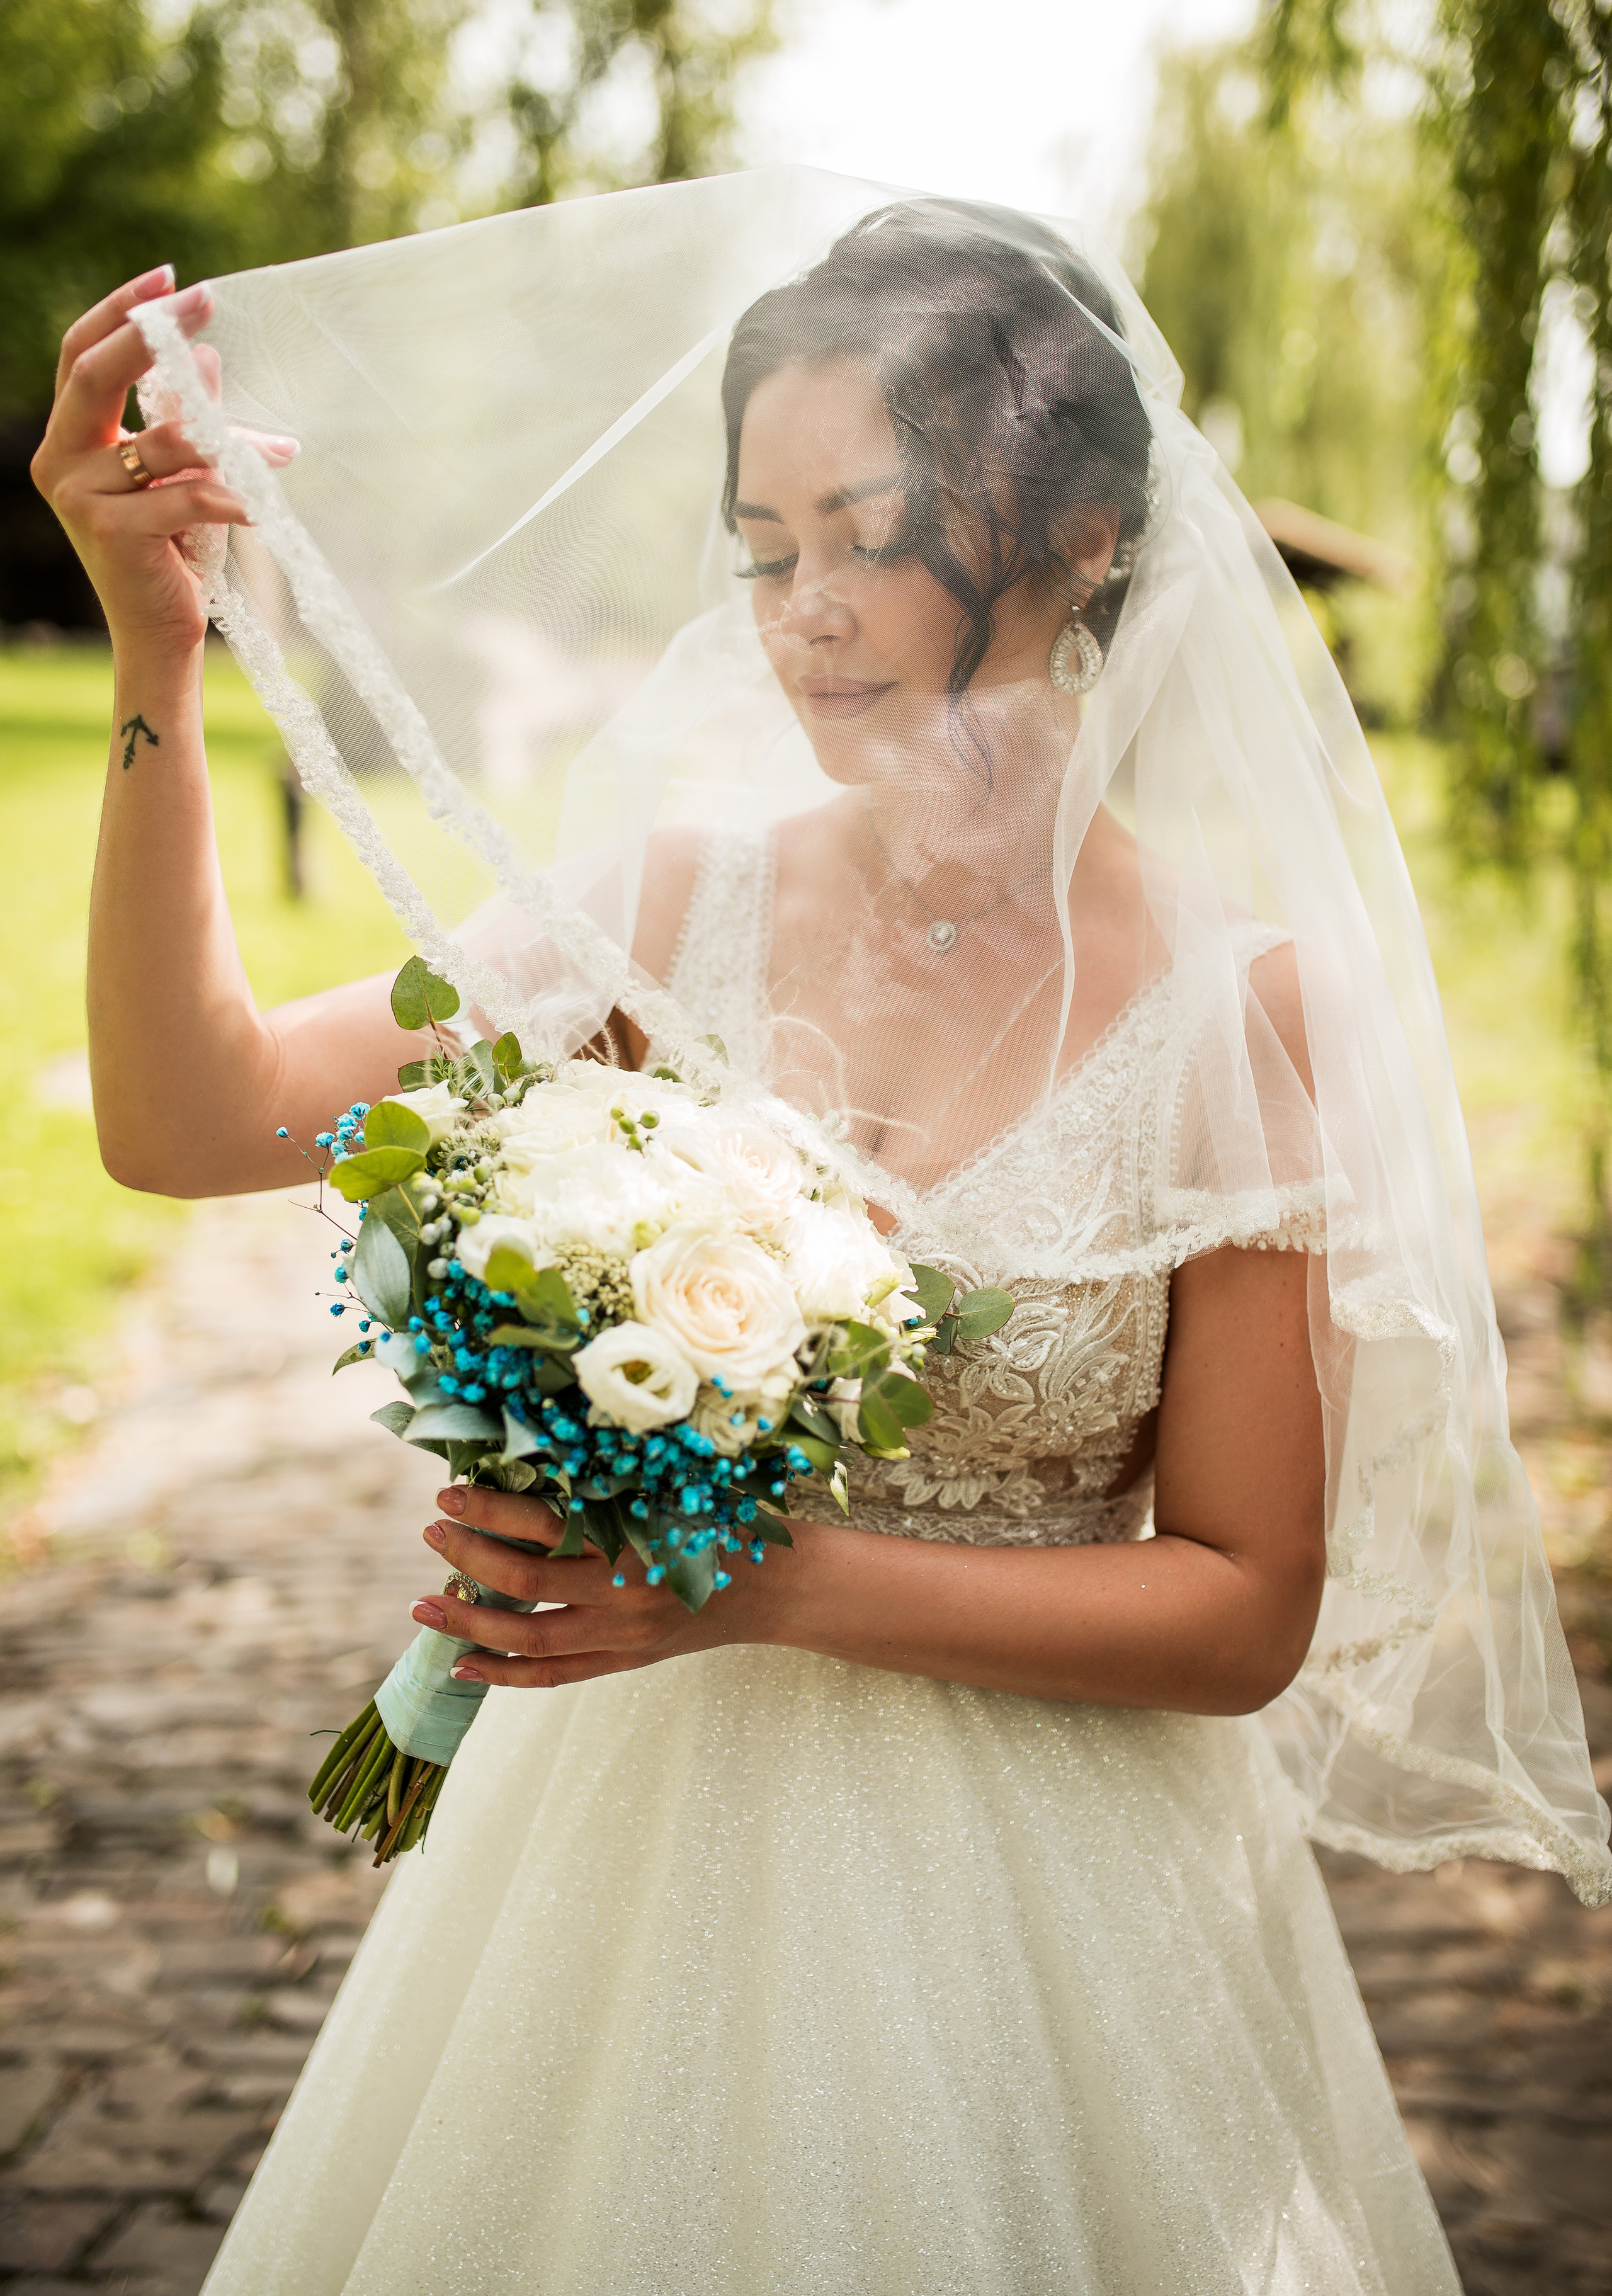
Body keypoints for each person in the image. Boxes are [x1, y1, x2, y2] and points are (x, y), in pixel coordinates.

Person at [31, 179, 1609, 2294]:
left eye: (868, 534)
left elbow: (1244, 1605)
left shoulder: (1244, 1017)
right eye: (766, 553)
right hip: (623, 1886)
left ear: (1087, 537)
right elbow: (190, 1110)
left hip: (1067, 1922)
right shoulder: (674, 912)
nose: (805, 614)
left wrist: (765, 1581)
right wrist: (159, 651)